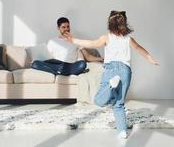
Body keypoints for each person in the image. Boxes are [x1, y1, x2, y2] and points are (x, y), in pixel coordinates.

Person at [67, 10, 158, 139]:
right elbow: (139, 48)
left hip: (111, 70)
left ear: (110, 23)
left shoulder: (106, 37)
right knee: (119, 104)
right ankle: (122, 131)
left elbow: (91, 43)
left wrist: (73, 40)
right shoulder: (128, 39)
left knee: (98, 100)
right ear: (124, 24)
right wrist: (150, 58)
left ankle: (110, 86)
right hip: (125, 71)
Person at [32, 17, 103, 76]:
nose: (66, 29)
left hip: (70, 66)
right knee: (35, 63)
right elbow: (47, 58)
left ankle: (57, 73)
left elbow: (88, 57)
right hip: (57, 64)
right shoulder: (52, 41)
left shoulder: (75, 40)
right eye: (63, 27)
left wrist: (101, 59)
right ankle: (59, 72)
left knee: (82, 64)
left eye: (68, 26)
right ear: (58, 28)